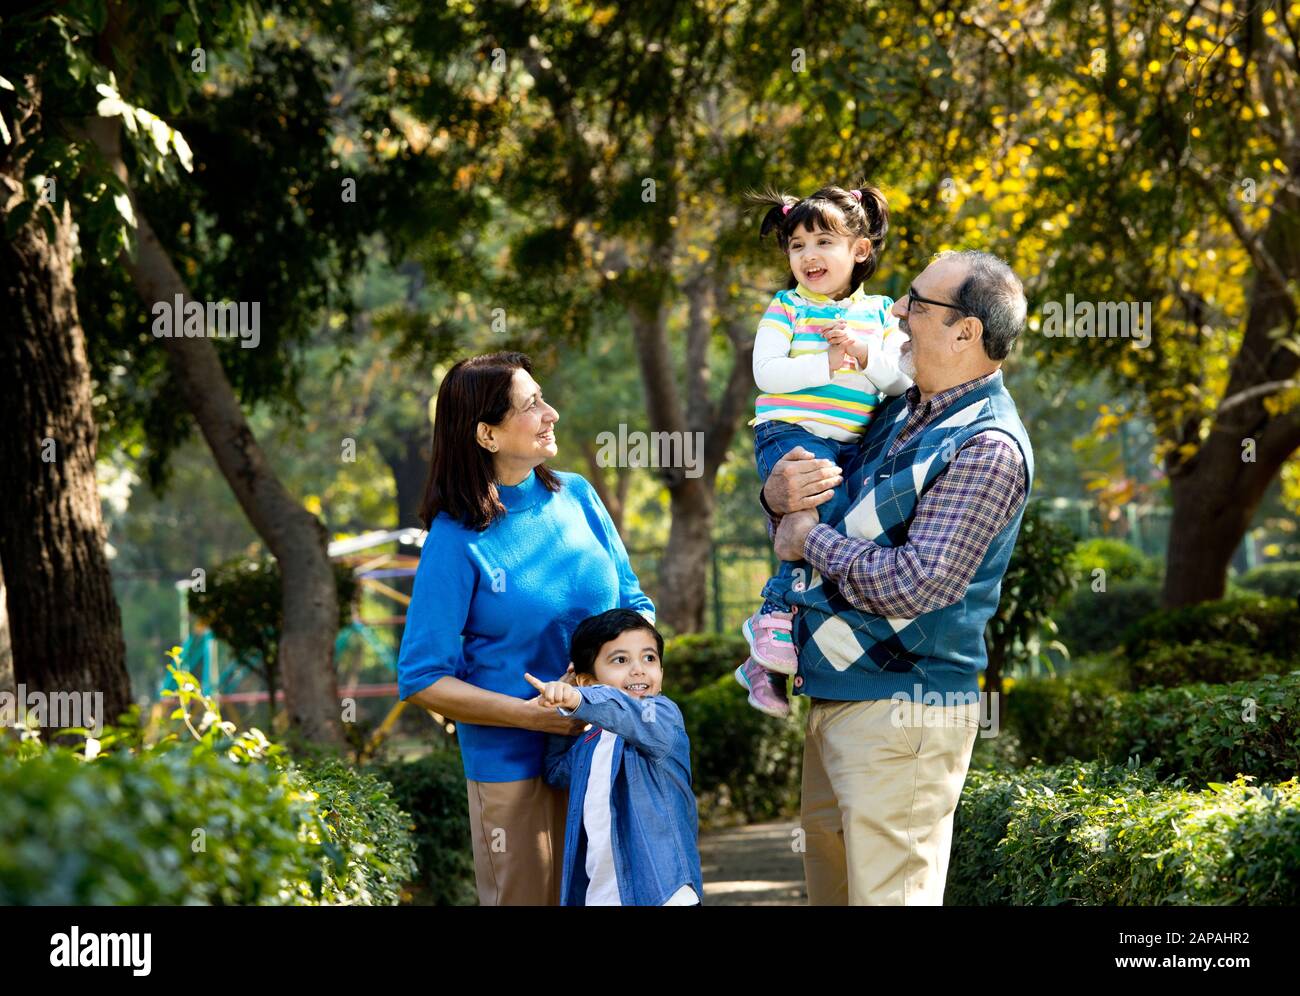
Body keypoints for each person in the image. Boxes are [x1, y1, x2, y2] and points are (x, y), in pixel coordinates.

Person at [764, 250, 1035, 905]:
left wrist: (808, 539)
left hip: (905, 712)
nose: (894, 312)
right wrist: (780, 494)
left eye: (915, 302)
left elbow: (919, 584)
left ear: (966, 332)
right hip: (841, 700)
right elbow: (819, 496)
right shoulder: (902, 411)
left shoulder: (988, 447)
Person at [396, 351, 655, 906]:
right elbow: (421, 677)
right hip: (511, 769)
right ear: (486, 433)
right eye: (532, 404)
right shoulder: (454, 538)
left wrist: (622, 675)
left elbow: (635, 604)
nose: (551, 412)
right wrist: (535, 717)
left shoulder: (579, 496)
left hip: (606, 748)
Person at [736, 182, 911, 718]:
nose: (808, 256)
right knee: (811, 518)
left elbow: (899, 383)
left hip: (850, 443)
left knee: (831, 530)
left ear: (859, 250)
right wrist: (828, 366)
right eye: (797, 246)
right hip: (790, 432)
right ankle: (771, 617)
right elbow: (765, 374)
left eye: (823, 242)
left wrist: (863, 354)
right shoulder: (786, 307)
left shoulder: (881, 313)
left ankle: (766, 657)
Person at [530, 608, 703, 906]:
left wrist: (575, 700)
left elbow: (621, 712)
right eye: (621, 660)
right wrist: (560, 713)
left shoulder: (662, 718)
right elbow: (556, 771)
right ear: (586, 680)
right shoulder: (589, 743)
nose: (638, 669)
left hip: (664, 892)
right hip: (602, 895)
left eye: (649, 658)